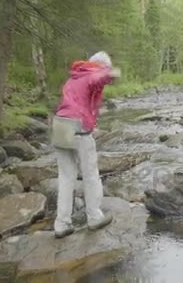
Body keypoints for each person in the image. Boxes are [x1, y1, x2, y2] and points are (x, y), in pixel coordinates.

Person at [50, 51, 121, 238]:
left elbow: (81, 100)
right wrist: (112, 73)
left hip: (61, 124)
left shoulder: (73, 78)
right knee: (90, 174)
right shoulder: (92, 75)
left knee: (66, 176)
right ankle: (94, 217)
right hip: (78, 127)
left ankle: (61, 224)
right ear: (100, 66)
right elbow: (97, 79)